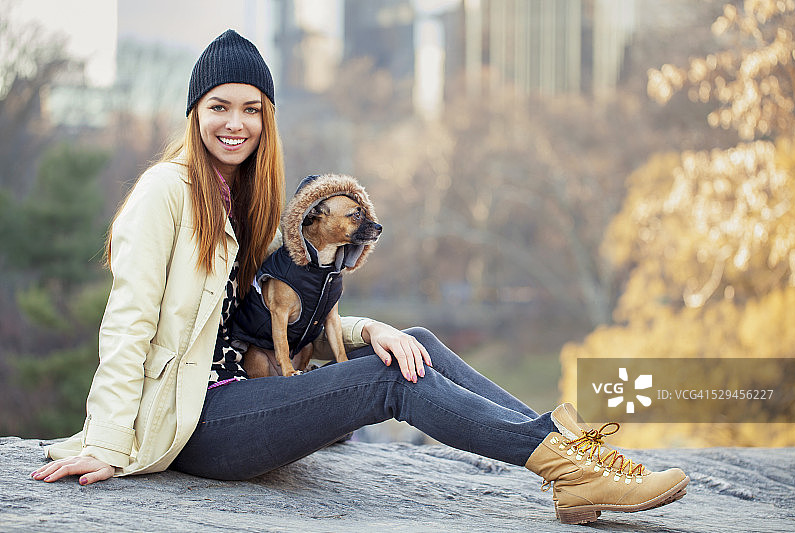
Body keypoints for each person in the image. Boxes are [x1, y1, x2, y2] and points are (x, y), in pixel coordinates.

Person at [31, 30, 688, 525]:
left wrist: (372, 328)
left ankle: (580, 453)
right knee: (387, 379)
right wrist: (111, 442)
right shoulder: (165, 193)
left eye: (252, 109)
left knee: (415, 343)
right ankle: (565, 467)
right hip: (196, 423)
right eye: (219, 107)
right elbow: (129, 321)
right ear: (194, 114)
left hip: (247, 395)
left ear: (268, 118)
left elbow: (276, 312)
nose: (236, 123)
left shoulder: (251, 202)